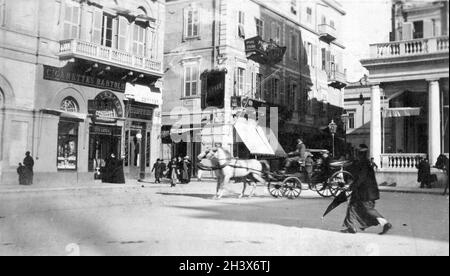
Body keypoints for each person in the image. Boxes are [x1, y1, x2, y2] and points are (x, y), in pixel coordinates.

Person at [342, 144, 392, 235]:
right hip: (366, 191)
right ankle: (351, 227)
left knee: (368, 209)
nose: (355, 154)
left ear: (360, 153)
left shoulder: (363, 163)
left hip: (365, 192)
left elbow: (361, 178)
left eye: (357, 153)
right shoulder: (365, 162)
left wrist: (351, 186)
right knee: (352, 206)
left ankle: (385, 223)